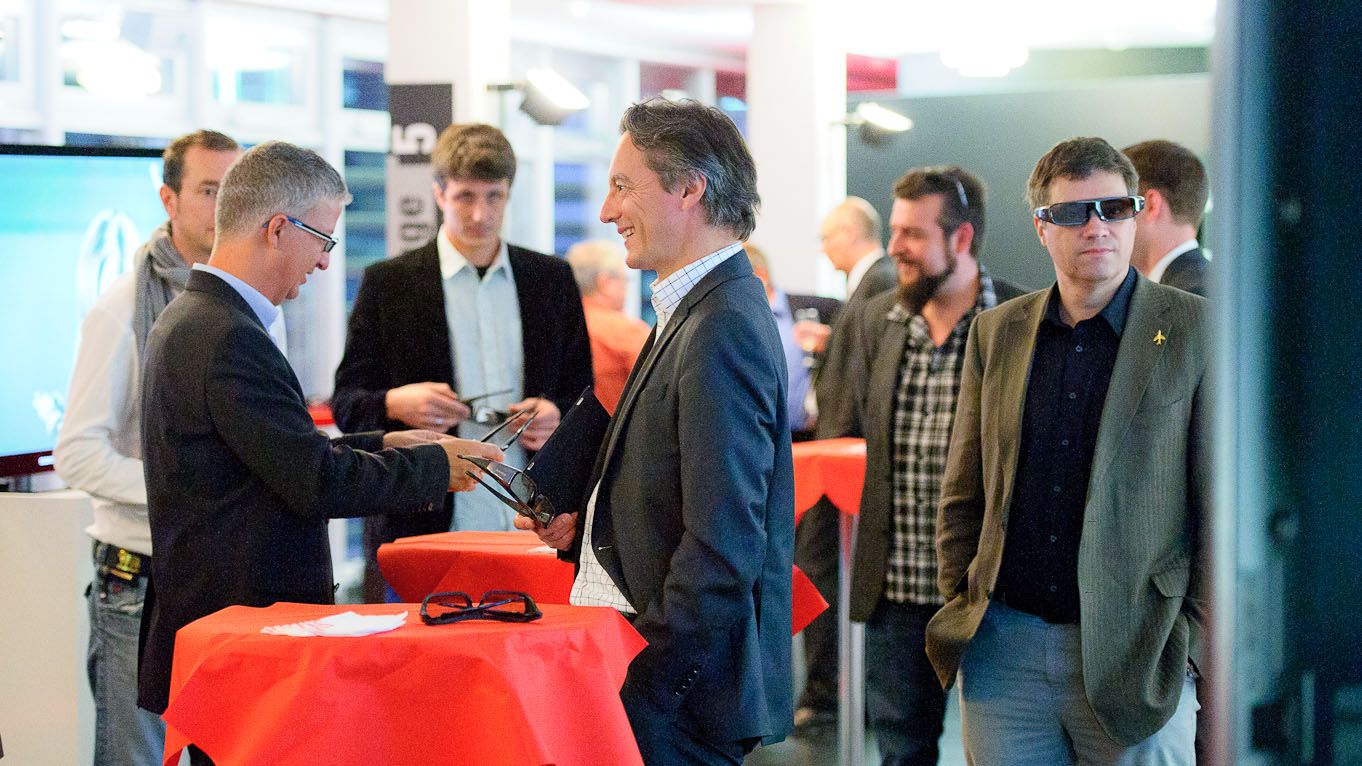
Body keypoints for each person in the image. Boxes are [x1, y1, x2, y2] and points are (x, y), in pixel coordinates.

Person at [136, 143, 503, 763]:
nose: (327, 261)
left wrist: (386, 441)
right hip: (244, 640)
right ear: (278, 229)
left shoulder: (198, 319)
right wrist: (438, 467)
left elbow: (271, 454)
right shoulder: (226, 335)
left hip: (228, 634)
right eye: (323, 240)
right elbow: (314, 480)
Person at [520, 98, 794, 765]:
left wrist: (652, 679)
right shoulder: (695, 308)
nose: (607, 211)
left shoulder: (720, 323)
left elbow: (723, 544)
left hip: (678, 701)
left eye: (623, 186)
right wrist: (592, 521)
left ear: (690, 189)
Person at [928, 137, 1208, 764]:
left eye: (1114, 208)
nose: (1097, 227)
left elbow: (1221, 509)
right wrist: (963, 598)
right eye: (1074, 213)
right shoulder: (998, 331)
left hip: (1139, 654)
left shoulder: (1195, 329)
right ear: (1042, 227)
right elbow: (964, 490)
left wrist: (1193, 648)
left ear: (1136, 214)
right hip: (1005, 652)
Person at [54, 129, 251, 766]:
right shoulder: (122, 306)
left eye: (234, 192)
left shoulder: (244, 301)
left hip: (215, 572)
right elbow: (75, 451)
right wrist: (185, 489)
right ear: (169, 199)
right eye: (209, 191)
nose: (224, 208)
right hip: (136, 581)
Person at [331, 122, 592, 600]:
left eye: (494, 197)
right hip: (422, 525)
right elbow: (347, 403)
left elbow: (583, 394)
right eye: (465, 196)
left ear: (509, 194)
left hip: (534, 524)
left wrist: (556, 413)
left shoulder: (551, 280)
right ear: (438, 193)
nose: (479, 214)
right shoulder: (390, 284)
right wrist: (395, 402)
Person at [836, 167, 1026, 764]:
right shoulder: (874, 321)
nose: (895, 247)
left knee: (1004, 754)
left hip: (995, 593)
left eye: (913, 234)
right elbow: (844, 435)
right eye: (895, 231)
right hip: (896, 592)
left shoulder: (1023, 321)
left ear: (962, 238)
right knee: (901, 755)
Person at [792, 196, 899, 730]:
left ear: (852, 234)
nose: (822, 248)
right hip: (838, 453)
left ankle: (830, 691)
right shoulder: (870, 284)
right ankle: (834, 688)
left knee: (825, 568)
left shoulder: (879, 281)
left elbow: (868, 376)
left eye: (827, 237)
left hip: (846, 461)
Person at [744, 242, 840, 440]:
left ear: (761, 276)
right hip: (760, 437)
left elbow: (853, 342)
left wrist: (829, 340)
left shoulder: (815, 308)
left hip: (810, 435)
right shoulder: (738, 321)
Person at [565, 238, 651, 414]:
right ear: (606, 283)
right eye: (625, 280)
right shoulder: (628, 332)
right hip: (616, 430)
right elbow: (656, 395)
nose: (626, 288)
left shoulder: (561, 328)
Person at [1123, 139, 1211, 297]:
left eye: (1116, 208)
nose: (1104, 227)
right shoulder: (1202, 284)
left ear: (1151, 205)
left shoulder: (1191, 296)